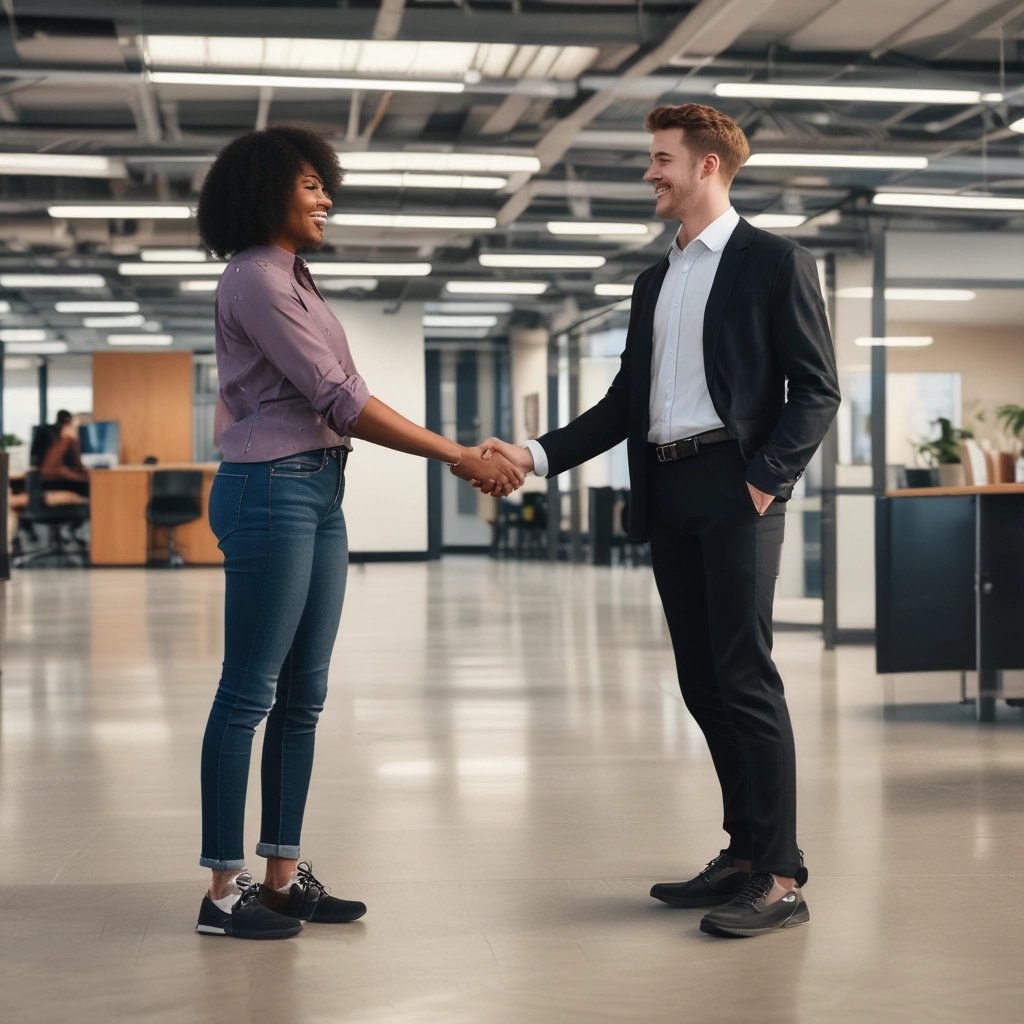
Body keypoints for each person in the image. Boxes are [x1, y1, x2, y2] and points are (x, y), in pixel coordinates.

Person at [480, 103, 840, 938]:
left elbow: (815, 390)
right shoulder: (656, 280)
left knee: (746, 678)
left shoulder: (772, 262)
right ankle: (746, 852)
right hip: (669, 489)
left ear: (708, 165)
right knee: (702, 681)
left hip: (736, 485)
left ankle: (782, 875)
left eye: (662, 160)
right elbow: (622, 406)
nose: (651, 173)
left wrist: (763, 484)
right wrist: (530, 456)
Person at [194, 124, 524, 941]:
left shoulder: (294, 280)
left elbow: (340, 396)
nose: (325, 197)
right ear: (269, 190)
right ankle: (221, 888)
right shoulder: (258, 282)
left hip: (314, 493)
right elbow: (342, 398)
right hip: (271, 492)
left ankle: (280, 874)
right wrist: (458, 455)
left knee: (303, 696)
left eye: (323, 185)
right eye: (310, 185)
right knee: (248, 694)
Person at [36, 410, 90, 497]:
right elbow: (49, 471)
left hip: (68, 482)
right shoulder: (61, 440)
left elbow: (79, 466)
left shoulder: (72, 442)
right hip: (55, 484)